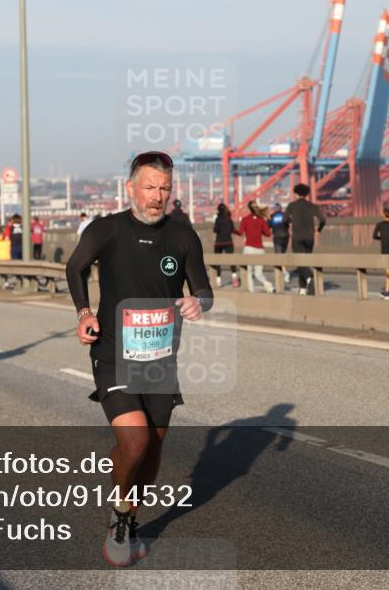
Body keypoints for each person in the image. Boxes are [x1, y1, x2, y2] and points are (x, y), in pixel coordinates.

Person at [65, 150, 212, 567]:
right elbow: (74, 268)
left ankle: (127, 508)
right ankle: (120, 517)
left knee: (151, 450)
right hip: (114, 353)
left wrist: (199, 303)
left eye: (164, 188)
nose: (157, 196)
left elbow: (204, 289)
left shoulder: (183, 236)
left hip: (161, 358)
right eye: (149, 187)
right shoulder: (107, 229)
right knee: (136, 440)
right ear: (130, 187)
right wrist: (84, 313)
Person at [284, 183, 326, 295]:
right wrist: (319, 230)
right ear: (306, 194)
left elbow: (284, 219)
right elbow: (323, 220)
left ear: (296, 193)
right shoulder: (312, 206)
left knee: (299, 261)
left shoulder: (292, 205)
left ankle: (309, 278)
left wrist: (290, 223)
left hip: (297, 237)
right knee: (305, 262)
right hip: (309, 237)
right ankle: (303, 288)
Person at [235, 201, 275, 294]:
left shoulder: (245, 219)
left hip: (249, 248)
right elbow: (268, 234)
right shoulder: (261, 220)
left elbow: (240, 233)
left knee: (248, 272)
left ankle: (251, 292)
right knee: (258, 273)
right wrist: (260, 230)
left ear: (249, 209)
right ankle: (269, 287)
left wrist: (233, 230)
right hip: (260, 249)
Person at [212, 203, 239, 288]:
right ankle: (235, 279)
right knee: (231, 260)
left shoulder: (218, 219)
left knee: (217, 261)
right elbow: (232, 229)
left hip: (219, 242)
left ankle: (218, 281)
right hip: (228, 242)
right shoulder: (229, 219)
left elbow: (215, 230)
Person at [269, 202, 290, 283]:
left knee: (278, 256)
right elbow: (288, 223)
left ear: (274, 209)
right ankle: (284, 273)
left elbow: (268, 225)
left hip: (277, 237)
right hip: (285, 236)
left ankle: (284, 274)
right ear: (281, 208)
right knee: (283, 255)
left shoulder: (272, 216)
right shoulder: (285, 215)